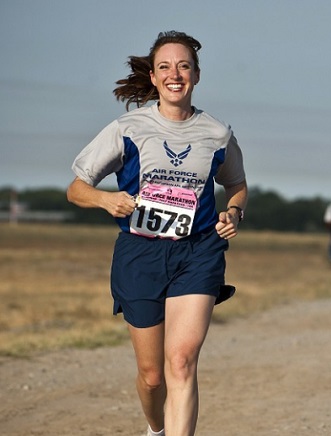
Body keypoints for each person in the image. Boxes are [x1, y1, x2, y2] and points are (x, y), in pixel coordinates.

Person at [66, 31, 248, 436]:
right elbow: (76, 189)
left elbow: (236, 183)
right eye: (165, 66)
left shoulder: (217, 133)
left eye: (184, 66)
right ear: (153, 76)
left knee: (181, 362)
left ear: (197, 75)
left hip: (197, 252)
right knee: (152, 377)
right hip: (140, 254)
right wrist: (106, 201)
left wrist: (234, 211)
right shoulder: (128, 127)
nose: (175, 74)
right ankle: (156, 428)